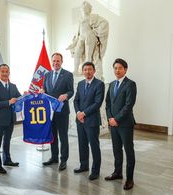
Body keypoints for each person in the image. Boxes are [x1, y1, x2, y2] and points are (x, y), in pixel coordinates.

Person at [105, 58, 137, 190]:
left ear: (125, 69)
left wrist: (116, 119)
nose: (117, 70)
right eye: (115, 68)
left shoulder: (130, 84)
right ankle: (117, 173)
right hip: (113, 124)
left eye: (120, 68)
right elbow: (107, 104)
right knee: (116, 149)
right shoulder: (112, 84)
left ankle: (130, 179)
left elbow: (129, 105)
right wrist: (110, 118)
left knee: (129, 151)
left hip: (125, 124)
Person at [42, 52, 74, 171]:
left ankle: (64, 159)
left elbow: (71, 91)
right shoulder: (47, 75)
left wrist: (66, 95)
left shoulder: (68, 75)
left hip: (62, 111)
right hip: (50, 112)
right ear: (52, 62)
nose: (56, 63)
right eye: (54, 61)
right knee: (53, 136)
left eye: (58, 61)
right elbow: (46, 90)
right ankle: (54, 157)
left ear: (62, 62)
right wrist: (42, 91)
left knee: (63, 136)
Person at [73, 62, 105, 180]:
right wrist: (78, 113)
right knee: (82, 145)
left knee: (94, 146)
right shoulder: (80, 84)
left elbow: (97, 103)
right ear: (83, 71)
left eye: (90, 69)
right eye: (85, 69)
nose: (87, 71)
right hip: (80, 121)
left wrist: (83, 113)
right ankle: (84, 165)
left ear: (94, 71)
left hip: (91, 121)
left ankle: (95, 171)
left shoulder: (99, 84)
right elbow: (76, 100)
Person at [0, 64, 22, 174]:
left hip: (10, 119)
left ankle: (7, 160)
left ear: (9, 73)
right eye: (2, 71)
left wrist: (26, 95)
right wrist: (9, 102)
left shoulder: (13, 86)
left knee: (7, 141)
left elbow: (19, 98)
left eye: (6, 71)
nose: (4, 73)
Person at [67, 1, 109, 79]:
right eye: (83, 8)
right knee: (77, 53)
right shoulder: (80, 19)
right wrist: (73, 44)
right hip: (81, 38)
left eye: (86, 8)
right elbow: (78, 33)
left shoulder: (93, 17)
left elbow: (105, 23)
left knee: (88, 55)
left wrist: (94, 32)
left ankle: (88, 72)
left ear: (89, 9)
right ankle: (76, 71)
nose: (84, 9)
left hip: (89, 38)